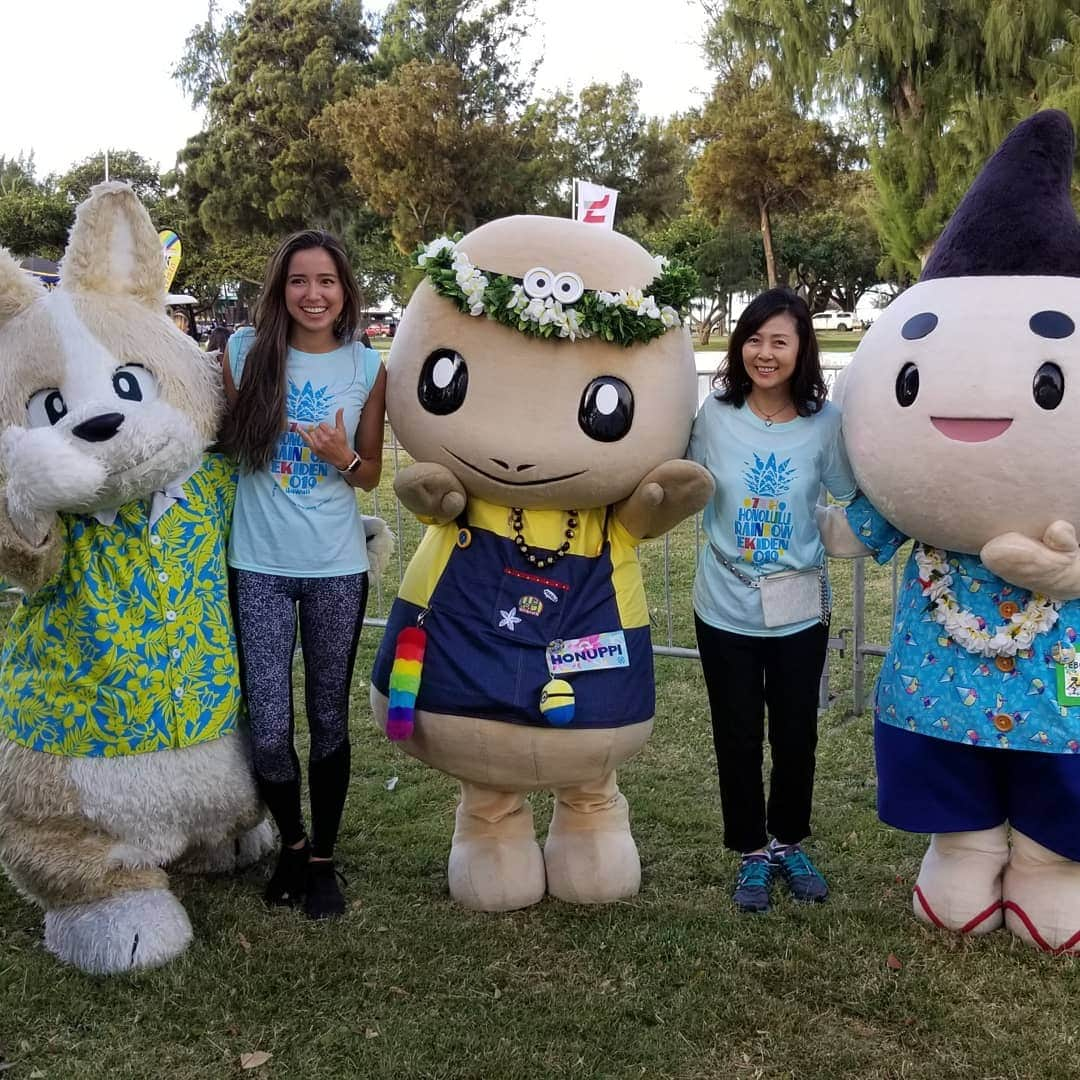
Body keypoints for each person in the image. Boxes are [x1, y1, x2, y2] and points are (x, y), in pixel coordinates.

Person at [219, 230, 387, 919]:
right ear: (279, 289)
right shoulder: (242, 354)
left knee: (326, 717)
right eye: (298, 281)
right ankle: (288, 842)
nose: (312, 294)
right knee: (266, 724)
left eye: (326, 281)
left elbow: (371, 475)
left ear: (345, 290)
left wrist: (344, 455)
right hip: (256, 563)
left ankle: (322, 859)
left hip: (335, 567)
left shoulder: (367, 365)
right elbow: (225, 448)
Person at [687, 287, 856, 914]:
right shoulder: (714, 415)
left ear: (801, 349)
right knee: (735, 731)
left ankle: (788, 841)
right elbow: (679, 481)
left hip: (797, 607)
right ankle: (751, 852)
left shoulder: (825, 421)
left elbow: (849, 495)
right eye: (754, 338)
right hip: (723, 602)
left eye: (779, 341)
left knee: (794, 732)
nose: (765, 353)